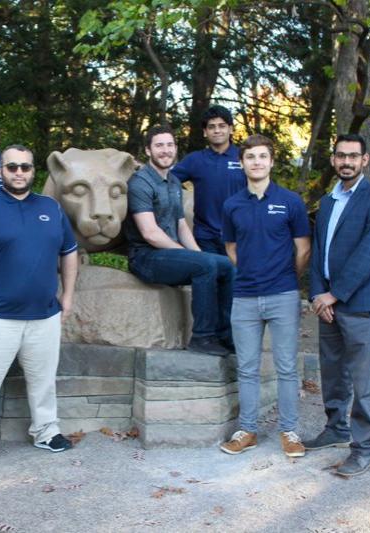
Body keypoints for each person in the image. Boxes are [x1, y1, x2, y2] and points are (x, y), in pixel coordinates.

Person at [0, 144, 78, 471]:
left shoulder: (51, 208)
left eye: (25, 166)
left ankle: (46, 431)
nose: (19, 172)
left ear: (33, 170)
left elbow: (69, 251)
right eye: (12, 167)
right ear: (1, 172)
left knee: (43, 380)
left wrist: (68, 295)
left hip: (44, 316)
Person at [303, 133, 370, 477]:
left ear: (365, 160)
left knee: (361, 376)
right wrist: (317, 294)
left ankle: (364, 447)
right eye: (341, 156)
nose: (346, 162)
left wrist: (335, 294)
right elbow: (317, 253)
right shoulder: (328, 202)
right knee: (332, 371)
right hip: (327, 303)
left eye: (353, 156)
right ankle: (335, 428)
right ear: (333, 159)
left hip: (357, 303)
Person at [219, 134, 310, 458]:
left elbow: (303, 248)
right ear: (242, 163)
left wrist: (286, 277)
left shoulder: (290, 202)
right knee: (247, 368)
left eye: (262, 156)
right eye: (250, 157)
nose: (256, 162)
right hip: (244, 297)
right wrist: (250, 271)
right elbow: (231, 247)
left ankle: (290, 431)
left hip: (283, 295)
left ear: (271, 161)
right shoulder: (232, 205)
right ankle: (248, 431)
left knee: (286, 367)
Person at [124, 125, 234, 357]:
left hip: (169, 255)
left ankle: (226, 335)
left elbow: (181, 225)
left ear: (176, 148)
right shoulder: (140, 182)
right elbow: (150, 233)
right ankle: (202, 337)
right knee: (205, 266)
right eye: (159, 145)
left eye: (170, 145)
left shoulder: (174, 181)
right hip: (145, 257)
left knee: (227, 266)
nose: (165, 150)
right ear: (148, 150)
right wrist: (193, 257)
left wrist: (197, 253)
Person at [171, 105, 246, 255]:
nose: (217, 130)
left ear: (231, 129)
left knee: (236, 278)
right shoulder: (195, 160)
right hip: (205, 237)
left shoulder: (245, 157)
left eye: (222, 126)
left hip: (239, 236)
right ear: (205, 132)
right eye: (211, 127)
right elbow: (165, 180)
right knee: (210, 276)